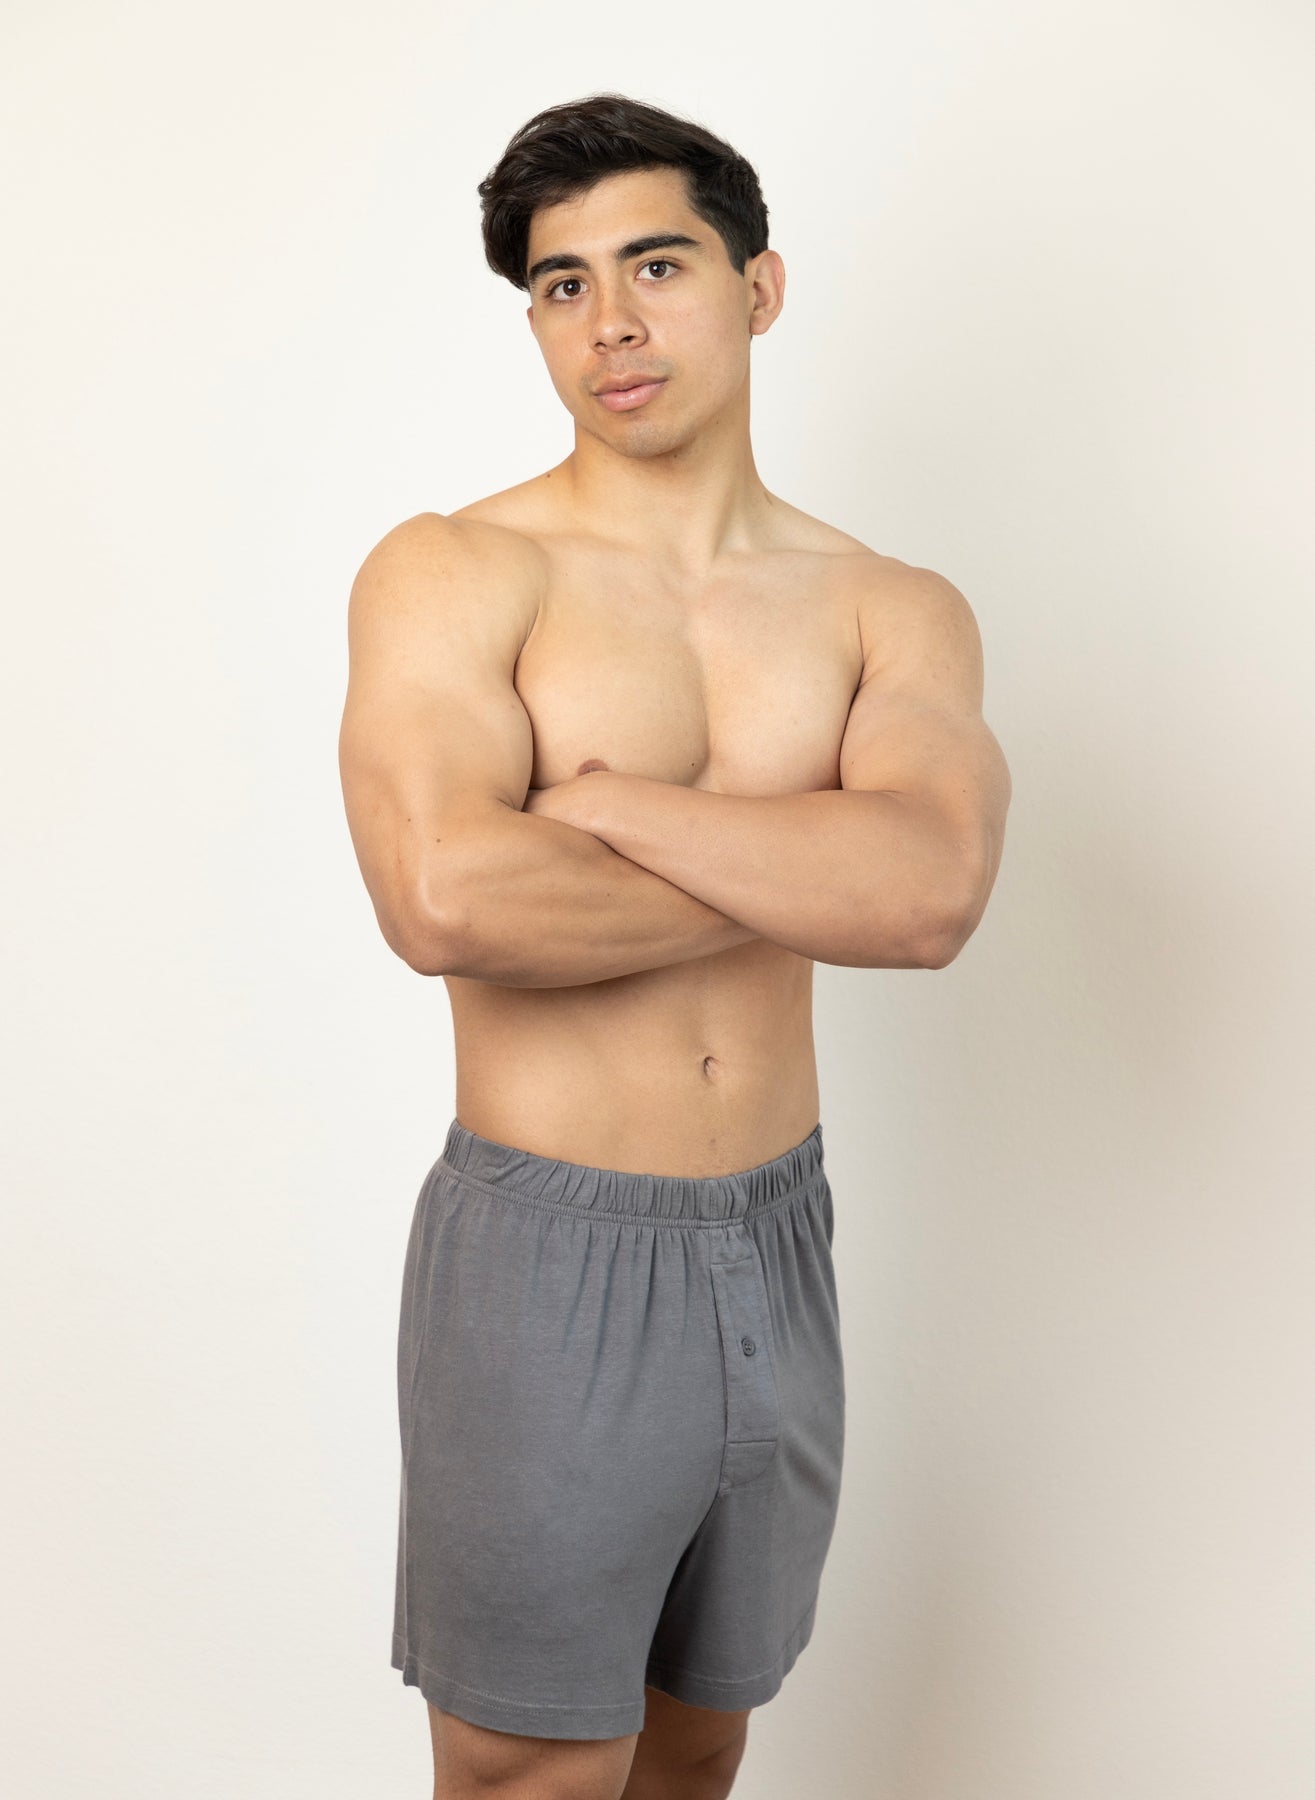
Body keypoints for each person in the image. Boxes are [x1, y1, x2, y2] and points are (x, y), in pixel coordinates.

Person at [338, 90, 1011, 1800]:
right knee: (529, 1770)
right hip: (548, 1249)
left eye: (656, 265)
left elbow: (930, 894)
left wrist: (613, 806)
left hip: (778, 1239)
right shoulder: (455, 572)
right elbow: (445, 899)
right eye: (561, 286)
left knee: (700, 1749)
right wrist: (816, 857)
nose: (610, 323)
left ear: (757, 286)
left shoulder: (887, 604)